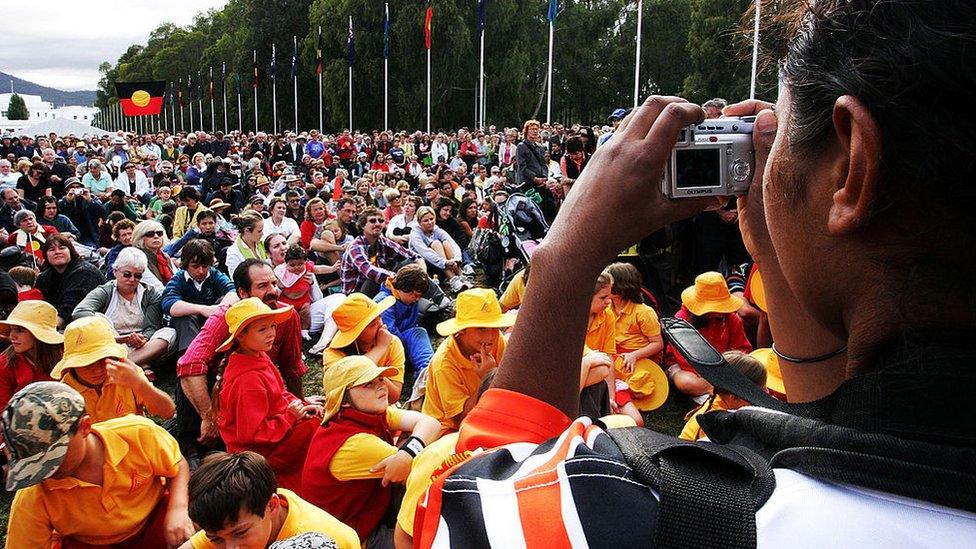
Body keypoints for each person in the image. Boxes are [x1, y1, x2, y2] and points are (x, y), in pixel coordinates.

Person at [2, 382, 194, 549]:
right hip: (92, 543)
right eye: (34, 466)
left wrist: (178, 508)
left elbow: (177, 464)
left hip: (153, 520)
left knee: (201, 519)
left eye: (53, 457)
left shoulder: (138, 433)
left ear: (85, 427)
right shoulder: (34, 493)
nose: (46, 470)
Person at [171, 259, 308, 463]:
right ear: (243, 293)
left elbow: (292, 368)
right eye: (262, 286)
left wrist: (301, 405)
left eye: (273, 283)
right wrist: (210, 418)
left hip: (258, 392)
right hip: (218, 391)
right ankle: (190, 449)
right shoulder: (225, 316)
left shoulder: (286, 316)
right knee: (203, 456)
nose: (272, 291)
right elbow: (190, 366)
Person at [302, 356, 441, 545]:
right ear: (343, 400)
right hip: (356, 537)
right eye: (368, 384)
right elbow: (424, 466)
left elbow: (431, 422)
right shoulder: (353, 443)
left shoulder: (371, 411)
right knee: (433, 540)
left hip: (372, 509)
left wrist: (407, 452)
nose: (381, 386)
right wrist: (408, 452)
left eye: (381, 379)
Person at [211, 298, 322, 491]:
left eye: (272, 326)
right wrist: (290, 416)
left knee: (318, 419)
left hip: (275, 432)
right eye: (262, 329)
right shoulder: (247, 380)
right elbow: (251, 435)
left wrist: (301, 405)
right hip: (258, 453)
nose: (271, 333)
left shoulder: (259, 355)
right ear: (241, 336)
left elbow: (280, 394)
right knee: (317, 432)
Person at [183, 451, 359, 549]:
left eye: (240, 533)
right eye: (216, 540)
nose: (230, 548)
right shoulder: (244, 511)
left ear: (272, 506)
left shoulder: (327, 541)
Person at [421, 288, 514, 435]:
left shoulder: (497, 340)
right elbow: (461, 419)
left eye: (495, 327)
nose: (491, 336)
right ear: (462, 330)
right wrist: (488, 377)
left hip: (490, 411)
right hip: (449, 429)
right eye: (481, 328)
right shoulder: (444, 364)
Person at [52, 315, 175, 423]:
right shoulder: (64, 392)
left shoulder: (127, 374)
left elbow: (167, 412)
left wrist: (139, 384)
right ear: (72, 365)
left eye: (104, 359)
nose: (98, 369)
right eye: (87, 364)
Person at [72, 247, 177, 370]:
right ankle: (140, 364)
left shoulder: (150, 294)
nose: (132, 280)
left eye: (137, 276)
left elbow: (151, 327)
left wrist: (143, 339)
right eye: (127, 274)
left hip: (144, 346)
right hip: (113, 342)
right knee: (99, 319)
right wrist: (119, 339)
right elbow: (79, 312)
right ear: (115, 271)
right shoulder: (105, 291)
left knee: (169, 333)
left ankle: (122, 364)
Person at [669, 271, 752, 400]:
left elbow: (742, 349)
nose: (720, 311)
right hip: (690, 370)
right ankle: (720, 390)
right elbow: (685, 361)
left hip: (724, 367)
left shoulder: (732, 319)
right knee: (686, 382)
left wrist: (730, 366)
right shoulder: (681, 321)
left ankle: (720, 389)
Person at [605, 262, 670, 412]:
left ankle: (618, 399)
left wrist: (635, 355)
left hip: (639, 360)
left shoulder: (643, 312)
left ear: (621, 289)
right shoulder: (606, 306)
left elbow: (657, 344)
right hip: (614, 354)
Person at [324, 293, 406, 403]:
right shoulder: (333, 353)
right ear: (355, 334)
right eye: (372, 324)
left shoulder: (392, 343)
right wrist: (380, 348)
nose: (381, 325)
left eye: (379, 318)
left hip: (383, 408)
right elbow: (343, 398)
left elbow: (394, 396)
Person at [162, 238, 237, 353]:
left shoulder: (215, 275)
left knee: (225, 302)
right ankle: (191, 355)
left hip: (212, 323)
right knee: (184, 316)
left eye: (205, 266)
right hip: (189, 328)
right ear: (186, 264)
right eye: (195, 267)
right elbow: (168, 303)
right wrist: (202, 310)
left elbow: (233, 291)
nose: (201, 271)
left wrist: (218, 310)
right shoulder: (179, 279)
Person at [679, 350, 766, 441]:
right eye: (760, 392)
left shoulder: (720, 398)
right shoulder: (717, 422)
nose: (766, 393)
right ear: (735, 398)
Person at [340, 206, 424, 296]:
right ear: (362, 225)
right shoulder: (355, 247)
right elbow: (370, 272)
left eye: (380, 221)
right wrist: (400, 278)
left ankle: (436, 298)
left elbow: (413, 256)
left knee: (410, 263)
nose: (377, 224)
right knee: (375, 278)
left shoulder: (381, 241)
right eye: (372, 221)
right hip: (357, 296)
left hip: (381, 285)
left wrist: (422, 273)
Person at [0, 301, 63, 410]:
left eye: (20, 330)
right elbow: (2, 411)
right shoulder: (4, 363)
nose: (12, 336)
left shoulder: (64, 358)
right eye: (11, 329)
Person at [374, 264, 436, 374]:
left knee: (419, 332)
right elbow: (390, 333)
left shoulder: (410, 299)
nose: (417, 299)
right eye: (415, 295)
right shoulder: (384, 300)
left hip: (404, 338)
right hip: (386, 345)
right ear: (403, 288)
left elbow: (411, 325)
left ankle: (427, 371)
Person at [35, 234, 106, 328]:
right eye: (51, 249)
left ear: (71, 251)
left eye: (62, 248)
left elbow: (70, 309)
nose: (57, 252)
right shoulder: (44, 277)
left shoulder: (84, 272)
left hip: (92, 325)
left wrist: (47, 333)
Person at [409, 206, 469, 293]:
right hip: (425, 263)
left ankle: (460, 275)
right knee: (436, 244)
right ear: (419, 222)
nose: (430, 222)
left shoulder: (437, 229)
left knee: (446, 243)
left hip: (444, 262)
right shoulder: (415, 234)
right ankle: (452, 278)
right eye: (426, 221)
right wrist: (444, 262)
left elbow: (453, 244)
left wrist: (457, 259)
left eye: (431, 219)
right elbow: (426, 253)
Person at [274, 244, 316, 328]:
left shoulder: (307, 269)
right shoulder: (281, 272)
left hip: (303, 301)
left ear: (305, 262)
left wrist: (332, 268)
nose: (296, 267)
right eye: (292, 265)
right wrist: (279, 287)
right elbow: (273, 293)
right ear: (286, 264)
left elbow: (319, 269)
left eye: (300, 264)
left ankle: (304, 331)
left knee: (306, 313)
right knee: (286, 319)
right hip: (286, 302)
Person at [225, 210, 268, 276]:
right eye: (259, 231)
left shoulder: (262, 242)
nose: (262, 233)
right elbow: (236, 280)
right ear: (247, 231)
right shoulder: (233, 252)